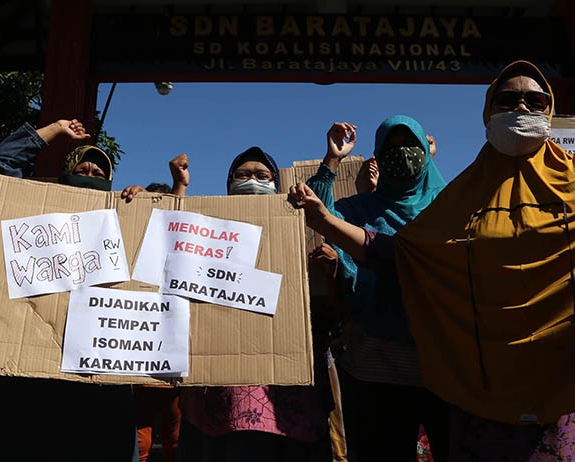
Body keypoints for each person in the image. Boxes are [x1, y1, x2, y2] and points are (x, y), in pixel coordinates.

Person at [392, 60, 575, 460]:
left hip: (565, 391)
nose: (522, 109)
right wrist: (324, 219)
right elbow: (408, 249)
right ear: (488, 112)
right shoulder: (460, 197)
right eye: (508, 100)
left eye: (535, 100)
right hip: (483, 392)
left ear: (550, 109)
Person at [0, 118, 140, 461]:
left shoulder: (123, 222)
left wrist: (143, 209)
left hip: (99, 368)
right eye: (84, 169)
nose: (91, 177)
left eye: (100, 175)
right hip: (33, 366)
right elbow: (4, 165)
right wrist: (55, 129)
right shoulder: (34, 210)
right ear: (67, 172)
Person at [178, 146, 334, 462]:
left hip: (288, 381)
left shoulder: (297, 230)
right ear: (229, 182)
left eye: (262, 176)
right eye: (243, 175)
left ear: (275, 184)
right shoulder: (208, 231)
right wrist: (177, 189)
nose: (252, 180)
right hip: (225, 379)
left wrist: (330, 269)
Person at [305, 117, 449, 461]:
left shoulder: (449, 205)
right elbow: (319, 212)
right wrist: (332, 160)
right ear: (379, 157)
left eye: (410, 146)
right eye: (391, 148)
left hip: (442, 367)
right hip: (372, 365)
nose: (402, 154)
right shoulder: (361, 208)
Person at [130, 154, 190, 462]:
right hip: (134, 360)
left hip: (171, 362)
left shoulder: (179, 247)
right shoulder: (129, 246)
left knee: (175, 440)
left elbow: (174, 224)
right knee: (138, 442)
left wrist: (179, 186)